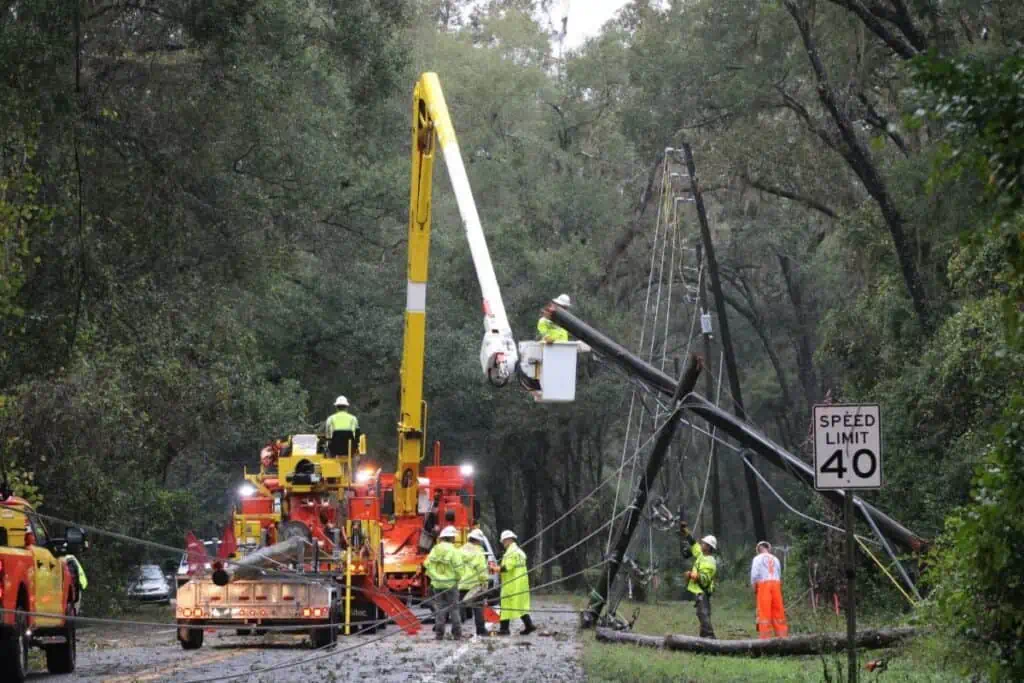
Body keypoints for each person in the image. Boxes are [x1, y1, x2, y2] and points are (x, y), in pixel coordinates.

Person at [423, 525, 463, 640]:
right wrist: (457, 578)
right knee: (454, 609)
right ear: (451, 538)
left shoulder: (435, 549)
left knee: (440, 609)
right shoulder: (454, 551)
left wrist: (434, 576)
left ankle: (439, 634)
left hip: (437, 584)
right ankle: (457, 634)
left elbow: (426, 564)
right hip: (451, 584)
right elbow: (459, 568)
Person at [680, 521, 717, 639]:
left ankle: (710, 638)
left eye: (704, 543)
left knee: (703, 613)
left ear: (709, 547)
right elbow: (693, 544)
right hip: (699, 591)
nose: (701, 544)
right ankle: (704, 638)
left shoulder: (710, 561)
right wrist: (685, 532)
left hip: (703, 591)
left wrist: (691, 575)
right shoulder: (702, 554)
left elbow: (705, 579)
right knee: (702, 613)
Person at [497, 530, 536, 636]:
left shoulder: (511, 552)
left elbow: (506, 568)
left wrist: (495, 568)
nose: (503, 544)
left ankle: (504, 629)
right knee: (520, 604)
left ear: (508, 540)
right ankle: (529, 625)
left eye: (504, 541)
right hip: (521, 581)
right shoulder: (519, 551)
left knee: (505, 604)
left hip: (512, 582)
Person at [750, 540, 789, 638]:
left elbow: (754, 575)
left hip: (764, 585)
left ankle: (765, 639)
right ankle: (782, 637)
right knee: (778, 611)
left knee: (764, 612)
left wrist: (754, 587)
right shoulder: (775, 559)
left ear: (758, 549)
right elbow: (779, 574)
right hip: (776, 585)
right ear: (768, 548)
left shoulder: (757, 558)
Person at [459, 528, 491, 638]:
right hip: (475, 584)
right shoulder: (479, 552)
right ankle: (481, 630)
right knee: (478, 607)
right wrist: (484, 582)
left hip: (461, 583)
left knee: (459, 607)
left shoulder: (460, 550)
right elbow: (482, 569)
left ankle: (457, 631)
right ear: (478, 540)